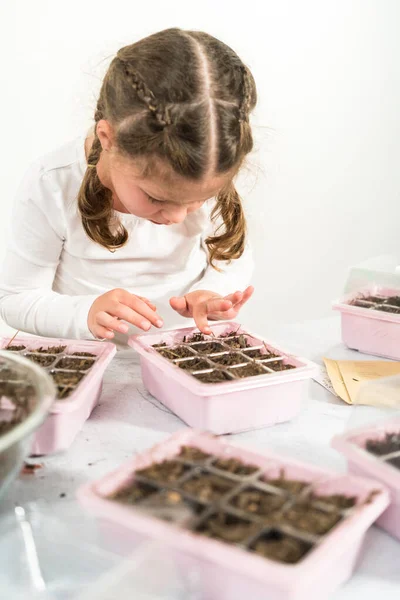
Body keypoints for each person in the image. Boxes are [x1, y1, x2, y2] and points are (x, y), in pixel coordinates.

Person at [0, 28, 256, 342]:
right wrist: (86, 312)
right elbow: (17, 299)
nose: (178, 217)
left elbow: (231, 259)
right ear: (108, 139)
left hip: (180, 355)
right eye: (155, 197)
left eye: (198, 200)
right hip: (84, 362)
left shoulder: (203, 171)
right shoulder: (52, 184)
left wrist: (212, 292)